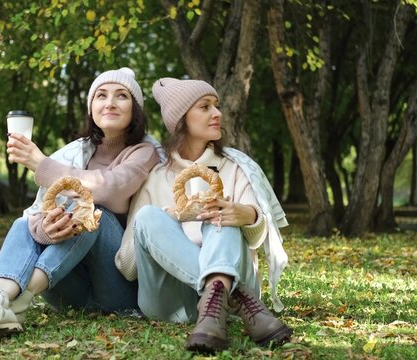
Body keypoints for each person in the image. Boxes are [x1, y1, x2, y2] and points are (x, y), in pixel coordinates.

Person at [0, 67, 161, 344]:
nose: (110, 102)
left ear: (135, 109)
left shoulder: (145, 152)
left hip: (119, 291)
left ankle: (19, 302)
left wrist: (41, 165)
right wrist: (46, 231)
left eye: (121, 96)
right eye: (101, 95)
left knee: (92, 212)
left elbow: (111, 189)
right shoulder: (76, 153)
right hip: (69, 291)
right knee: (23, 223)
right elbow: (41, 218)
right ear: (91, 108)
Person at [114, 78, 292, 353]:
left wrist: (245, 214)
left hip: (229, 283)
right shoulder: (156, 178)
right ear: (181, 119)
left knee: (221, 214)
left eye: (217, 106)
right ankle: (236, 294)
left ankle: (217, 297)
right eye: (205, 107)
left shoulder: (235, 167)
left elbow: (257, 240)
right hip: (170, 302)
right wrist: (165, 228)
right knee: (148, 217)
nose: (218, 114)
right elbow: (128, 269)